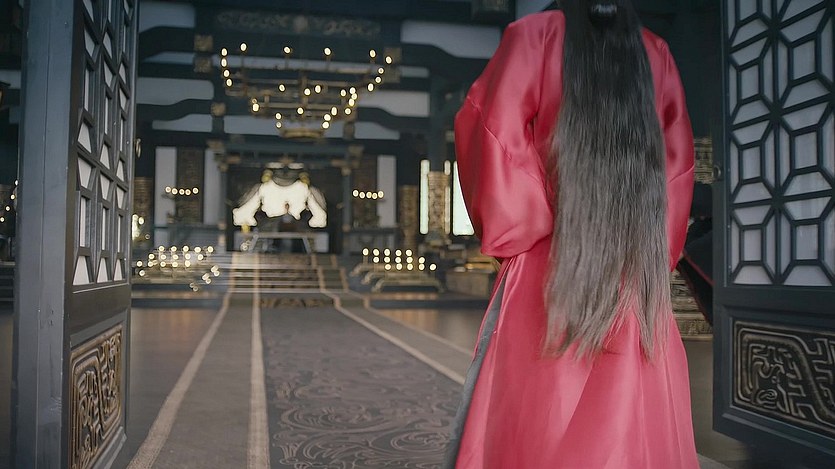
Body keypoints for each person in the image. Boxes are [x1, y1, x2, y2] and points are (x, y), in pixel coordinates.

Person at [445, 1, 698, 468]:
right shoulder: (654, 52)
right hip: (631, 272)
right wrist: (651, 251)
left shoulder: (535, 36)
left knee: (538, 412)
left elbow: (492, 128)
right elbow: (677, 166)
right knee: (629, 416)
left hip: (548, 264)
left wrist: (525, 223)